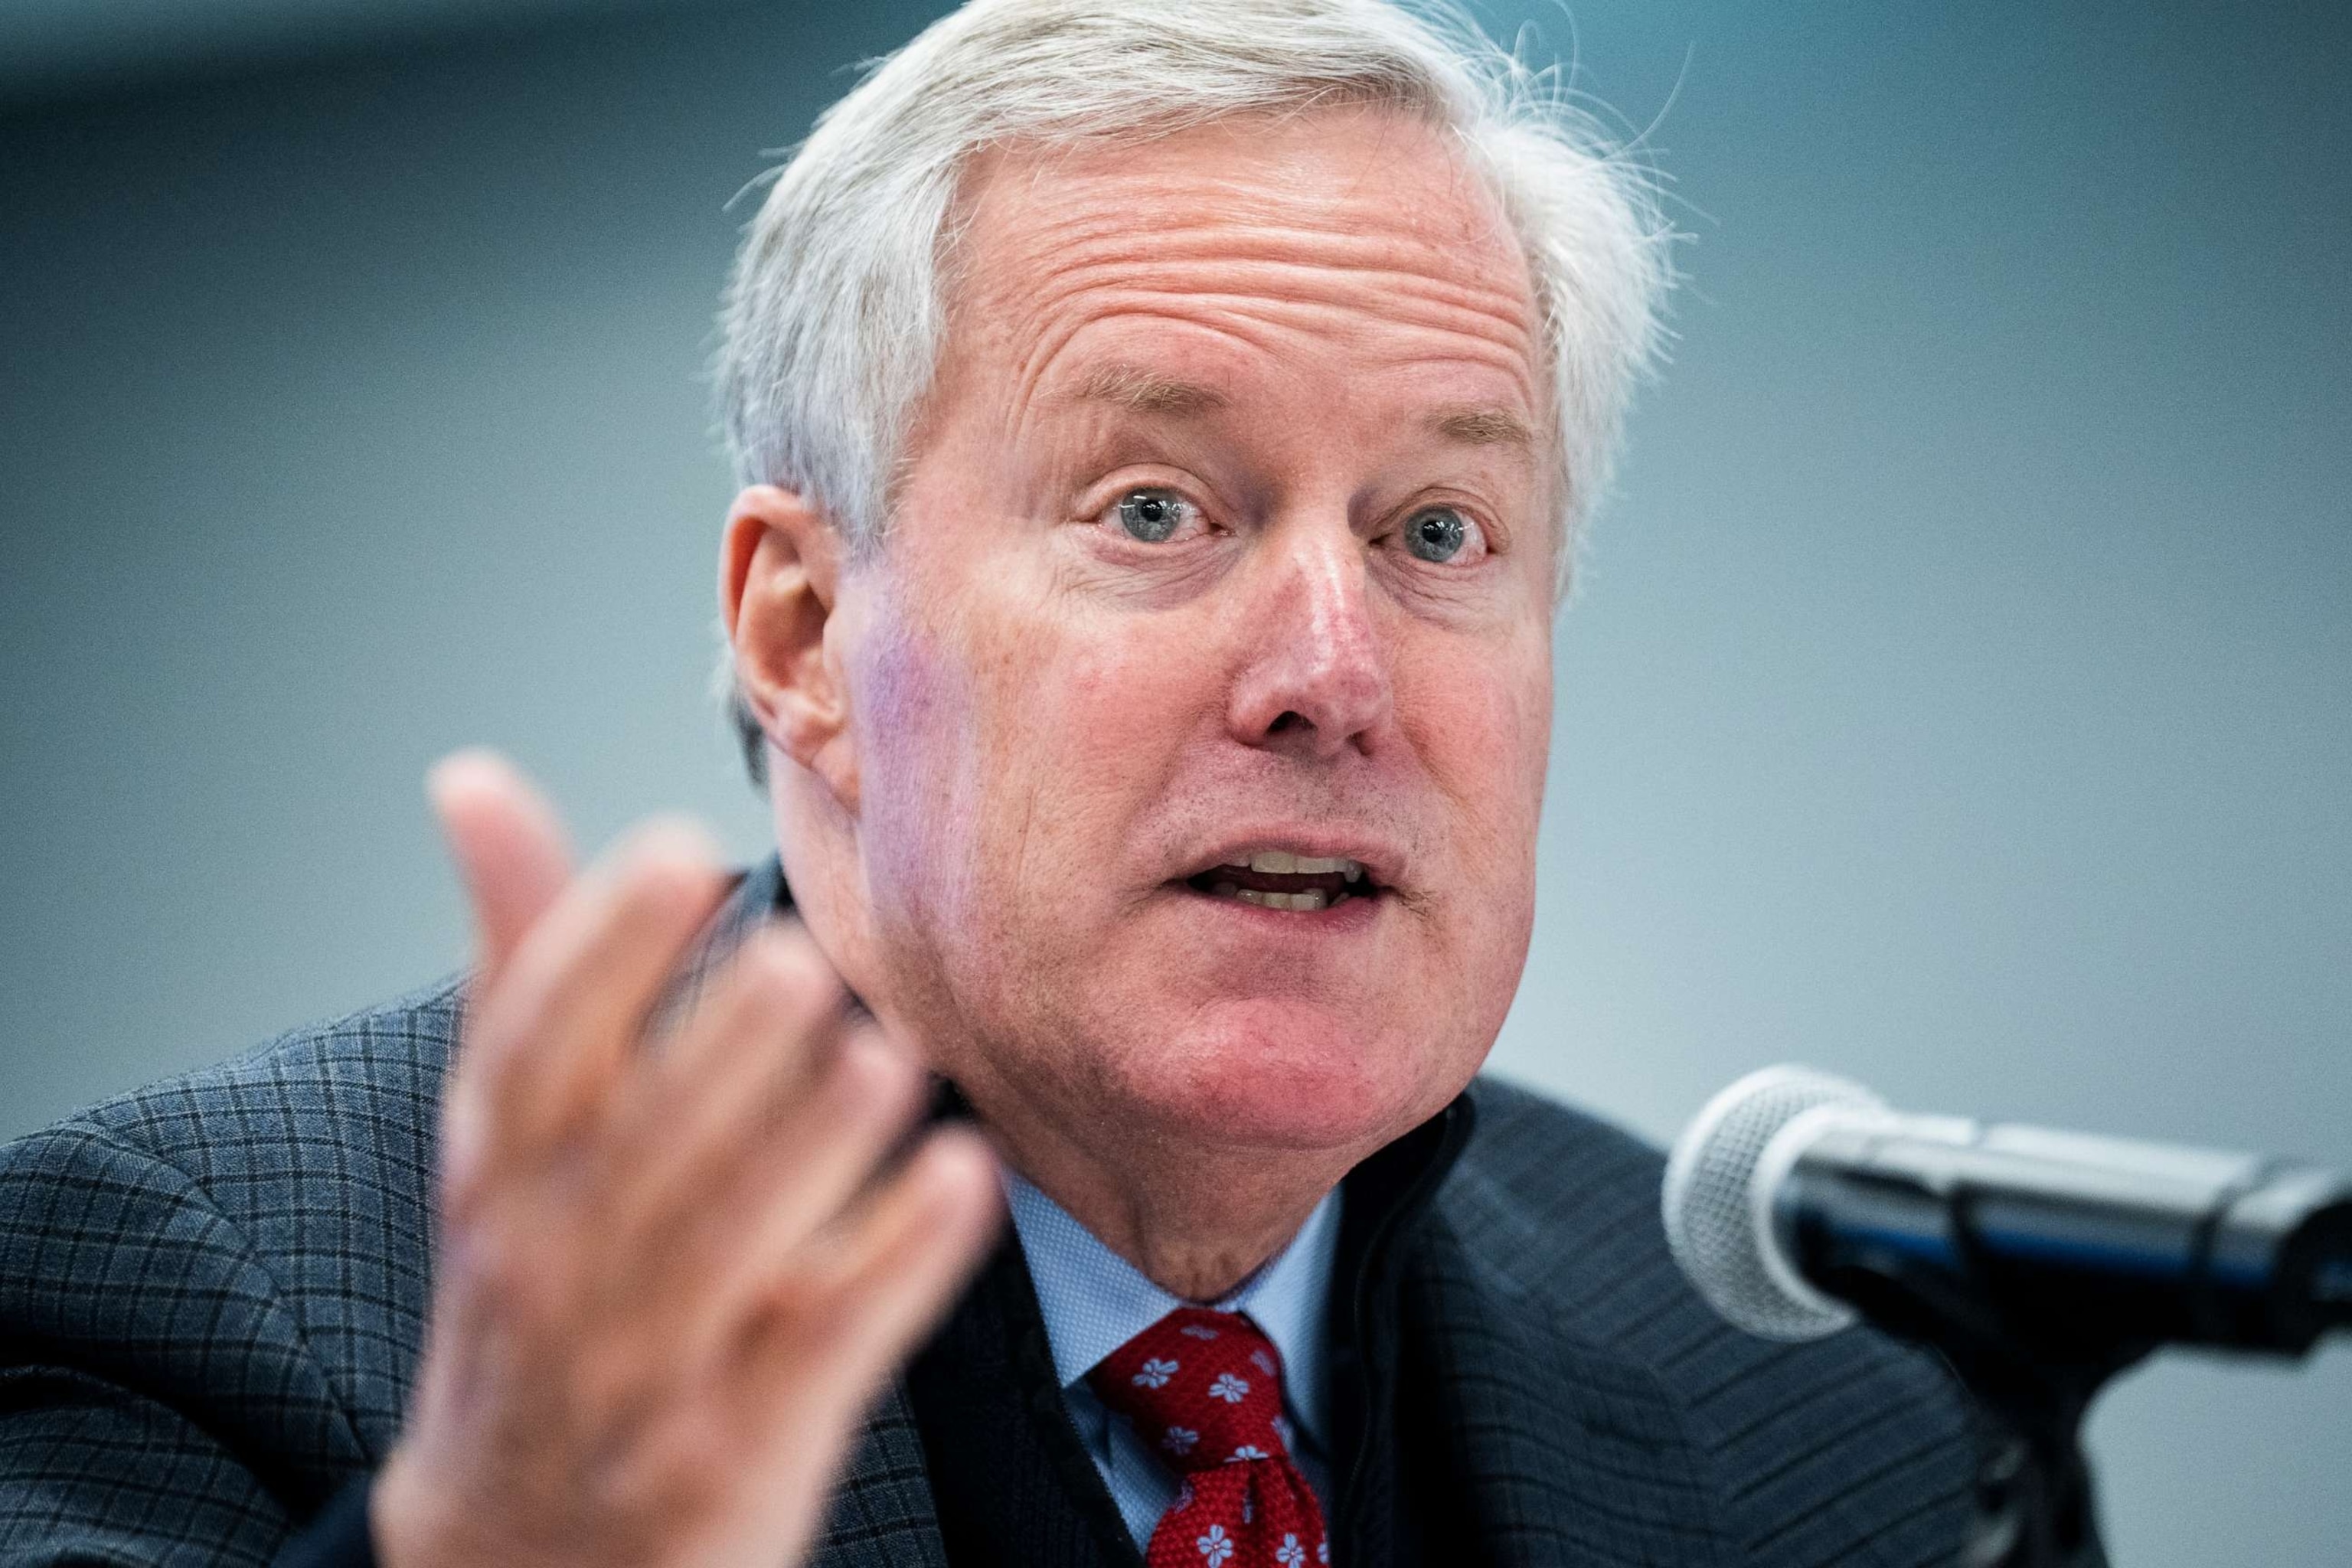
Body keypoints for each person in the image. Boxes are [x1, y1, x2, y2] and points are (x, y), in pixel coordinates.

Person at [0, 1, 1978, 1563]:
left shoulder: (1834, 1412)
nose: (1331, 675)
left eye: (1439, 532)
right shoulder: (203, 1298)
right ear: (799, 635)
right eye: (1154, 507)